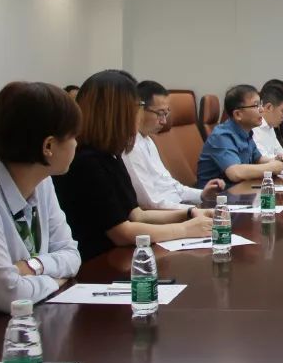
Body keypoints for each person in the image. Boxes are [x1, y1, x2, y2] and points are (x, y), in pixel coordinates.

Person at [0, 82, 81, 314]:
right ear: (48, 146)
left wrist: (32, 266)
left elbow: (71, 255)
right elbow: (7, 295)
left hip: (26, 315)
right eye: (74, 136)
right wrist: (56, 280)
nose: (77, 144)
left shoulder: (42, 181)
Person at [53, 70, 213, 261]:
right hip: (97, 262)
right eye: (137, 107)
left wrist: (190, 213)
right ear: (117, 114)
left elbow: (138, 215)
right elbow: (122, 233)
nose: (139, 116)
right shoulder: (87, 161)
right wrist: (185, 230)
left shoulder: (111, 154)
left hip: (120, 255)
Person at [123, 80, 225, 209]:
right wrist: (192, 210)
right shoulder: (131, 146)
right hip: (167, 215)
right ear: (140, 109)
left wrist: (202, 195)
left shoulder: (147, 140)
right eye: (159, 113)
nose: (164, 121)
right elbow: (151, 203)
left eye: (166, 114)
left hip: (178, 208)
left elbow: (172, 187)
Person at [198, 84, 283, 187]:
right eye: (256, 106)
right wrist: (271, 167)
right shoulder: (221, 136)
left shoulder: (246, 131)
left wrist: (274, 160)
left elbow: (257, 159)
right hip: (217, 194)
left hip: (240, 189)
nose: (262, 110)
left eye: (261, 104)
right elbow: (235, 173)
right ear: (238, 114)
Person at [261, 79, 283, 151]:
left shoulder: (270, 125)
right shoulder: (254, 127)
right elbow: (263, 157)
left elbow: (281, 152)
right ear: (269, 107)